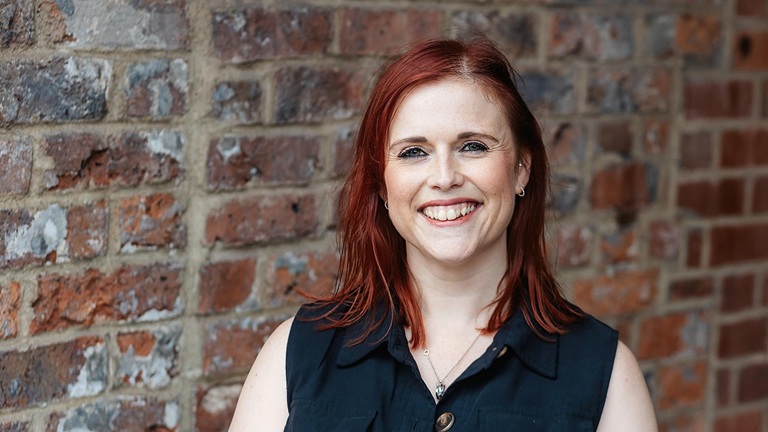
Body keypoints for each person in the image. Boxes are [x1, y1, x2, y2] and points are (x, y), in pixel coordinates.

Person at [229, 35, 657, 432]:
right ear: (381, 182)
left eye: (473, 146)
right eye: (414, 152)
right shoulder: (296, 352)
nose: (445, 177)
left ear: (522, 168)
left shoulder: (605, 372)